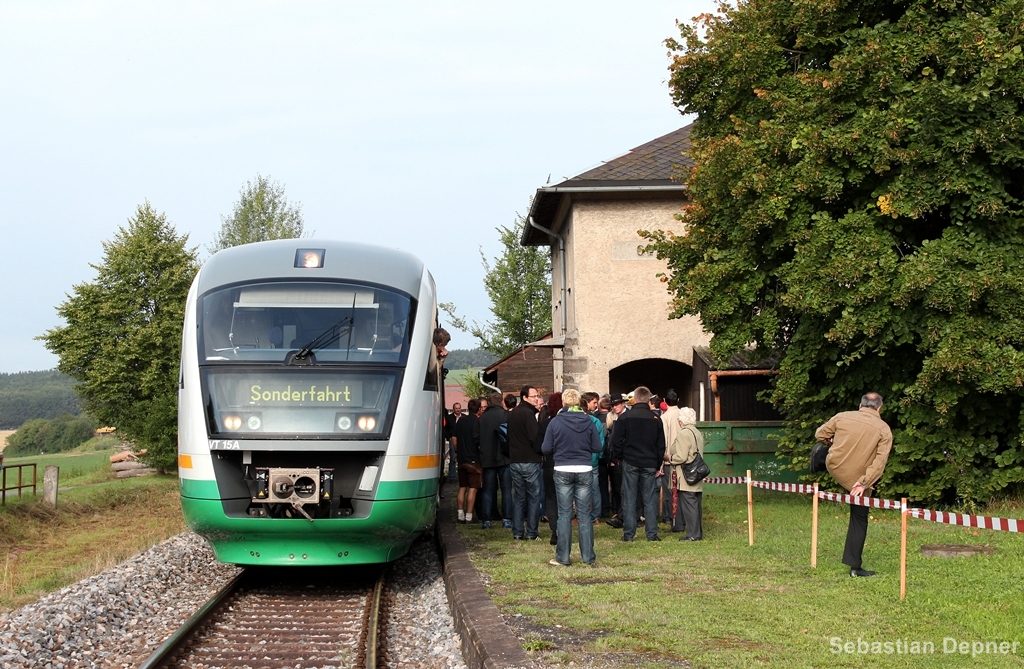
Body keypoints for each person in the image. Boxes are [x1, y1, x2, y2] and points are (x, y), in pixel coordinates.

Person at [815, 392, 893, 577]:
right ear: (879, 408)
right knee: (859, 518)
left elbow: (820, 434)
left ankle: (818, 461)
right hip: (857, 479)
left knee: (821, 450)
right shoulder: (884, 429)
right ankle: (855, 568)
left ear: (860, 405)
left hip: (834, 466)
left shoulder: (842, 416)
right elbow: (879, 463)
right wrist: (864, 484)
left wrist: (831, 442)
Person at [542, 388, 603, 566]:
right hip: (584, 468)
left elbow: (545, 448)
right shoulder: (588, 421)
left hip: (562, 468)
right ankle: (588, 557)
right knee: (584, 514)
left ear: (563, 403)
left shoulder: (555, 422)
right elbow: (597, 447)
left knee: (564, 514)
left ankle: (563, 556)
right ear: (578, 403)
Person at [608, 386, 666, 542]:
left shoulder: (625, 418)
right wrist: (657, 464)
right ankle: (652, 534)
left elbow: (616, 441)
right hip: (649, 462)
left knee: (629, 497)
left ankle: (629, 534)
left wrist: (619, 457)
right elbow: (660, 445)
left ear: (635, 399)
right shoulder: (655, 419)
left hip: (630, 461)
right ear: (648, 400)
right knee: (649, 498)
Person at [508, 385, 544, 540]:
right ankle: (531, 532)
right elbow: (534, 438)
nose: (536, 399)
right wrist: (541, 451)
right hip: (529, 460)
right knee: (534, 497)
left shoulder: (513, 413)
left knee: (519, 497)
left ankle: (517, 532)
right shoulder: (528, 414)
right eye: (533, 396)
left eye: (537, 396)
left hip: (515, 460)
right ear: (524, 397)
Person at [668, 407, 704, 541]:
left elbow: (681, 456)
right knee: (696, 504)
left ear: (681, 421)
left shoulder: (684, 433)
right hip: (697, 472)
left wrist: (670, 459)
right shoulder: (697, 432)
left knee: (689, 504)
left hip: (686, 474)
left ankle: (693, 534)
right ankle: (697, 532)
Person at [478, 392, 510, 529]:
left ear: (489, 403)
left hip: (487, 458)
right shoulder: (505, 415)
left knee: (488, 490)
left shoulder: (482, 418)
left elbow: (477, 438)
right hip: (504, 457)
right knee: (506, 490)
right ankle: (507, 519)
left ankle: (486, 520)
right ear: (501, 401)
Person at [539, 392, 563, 544]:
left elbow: (539, 446)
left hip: (549, 464)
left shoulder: (545, 424)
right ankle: (563, 528)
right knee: (565, 497)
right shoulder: (569, 422)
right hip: (565, 463)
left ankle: (555, 529)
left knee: (551, 497)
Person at [453, 398, 482, 524]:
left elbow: (454, 438)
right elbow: (479, 441)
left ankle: (460, 514)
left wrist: (457, 451)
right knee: (473, 488)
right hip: (473, 459)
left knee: (462, 487)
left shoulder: (460, 421)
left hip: (462, 458)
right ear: (479, 409)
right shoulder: (477, 422)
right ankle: (469, 516)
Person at [581, 391, 605, 525]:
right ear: (587, 402)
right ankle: (595, 515)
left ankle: (583, 514)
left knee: (582, 488)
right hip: (593, 459)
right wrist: (598, 455)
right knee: (594, 488)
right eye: (594, 402)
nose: (596, 405)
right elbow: (600, 441)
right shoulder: (595, 421)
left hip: (583, 459)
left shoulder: (593, 420)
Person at [604, 393, 628, 528]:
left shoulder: (625, 417)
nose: (614, 407)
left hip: (623, 458)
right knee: (619, 488)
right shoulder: (618, 418)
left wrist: (617, 457)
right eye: (612, 405)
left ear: (623, 403)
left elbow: (621, 441)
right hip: (618, 457)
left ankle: (622, 516)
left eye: (617, 404)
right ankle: (620, 514)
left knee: (624, 489)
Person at [660, 389, 682, 530]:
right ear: (678, 400)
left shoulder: (664, 417)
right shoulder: (684, 415)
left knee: (669, 490)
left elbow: (664, 440)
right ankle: (681, 517)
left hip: (669, 459)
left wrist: (661, 463)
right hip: (683, 458)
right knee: (681, 490)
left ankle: (669, 517)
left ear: (664, 401)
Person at [444, 402, 464, 483]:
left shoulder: (464, 417)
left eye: (459, 408)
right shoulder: (449, 418)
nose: (458, 410)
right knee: (453, 458)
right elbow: (445, 429)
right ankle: (452, 477)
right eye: (456, 408)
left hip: (462, 441)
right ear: (453, 409)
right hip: (452, 440)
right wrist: (449, 438)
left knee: (462, 459)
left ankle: (462, 476)